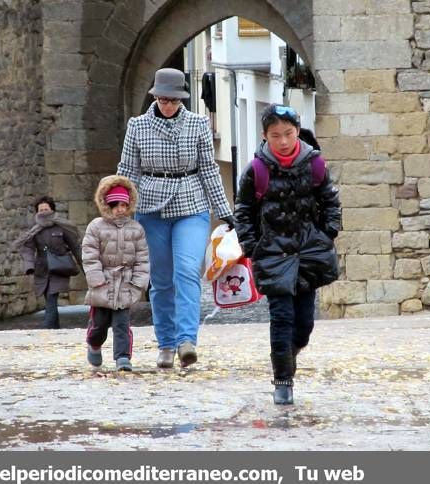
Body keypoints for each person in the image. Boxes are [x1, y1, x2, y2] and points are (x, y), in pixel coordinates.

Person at [117, 67, 233, 369]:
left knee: (186, 270)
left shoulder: (197, 124)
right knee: (160, 280)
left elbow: (208, 169)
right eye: (162, 99)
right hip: (151, 207)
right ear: (154, 97)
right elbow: (128, 170)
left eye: (173, 100)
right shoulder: (137, 126)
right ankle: (165, 344)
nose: (167, 105)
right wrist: (118, 209)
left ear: (181, 99)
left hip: (190, 203)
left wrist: (224, 211)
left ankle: (186, 341)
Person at [234, 104, 341, 405]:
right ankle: (283, 380)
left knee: (304, 324)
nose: (282, 141)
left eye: (288, 134)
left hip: (308, 252)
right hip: (272, 252)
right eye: (275, 135)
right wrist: (252, 246)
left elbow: (330, 200)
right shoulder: (256, 170)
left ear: (297, 132)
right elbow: (243, 211)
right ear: (265, 136)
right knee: (281, 317)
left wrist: (327, 233)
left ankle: (291, 353)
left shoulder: (316, 164)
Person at [82, 175, 150, 371]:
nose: (120, 208)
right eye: (116, 204)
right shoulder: (96, 227)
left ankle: (123, 357)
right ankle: (94, 343)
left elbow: (142, 258)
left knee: (122, 323)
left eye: (124, 204)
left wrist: (138, 283)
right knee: (99, 324)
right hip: (102, 283)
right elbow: (90, 255)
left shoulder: (136, 229)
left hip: (125, 283)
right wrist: (96, 279)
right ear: (107, 205)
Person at [15, 196, 82, 329]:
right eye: (41, 210)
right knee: (48, 296)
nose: (44, 212)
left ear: (52, 210)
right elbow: (28, 248)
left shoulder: (62, 227)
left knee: (52, 296)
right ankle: (55, 328)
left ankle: (47, 326)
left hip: (59, 268)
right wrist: (29, 266)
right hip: (42, 269)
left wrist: (84, 264)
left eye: (46, 209)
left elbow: (75, 246)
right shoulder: (34, 230)